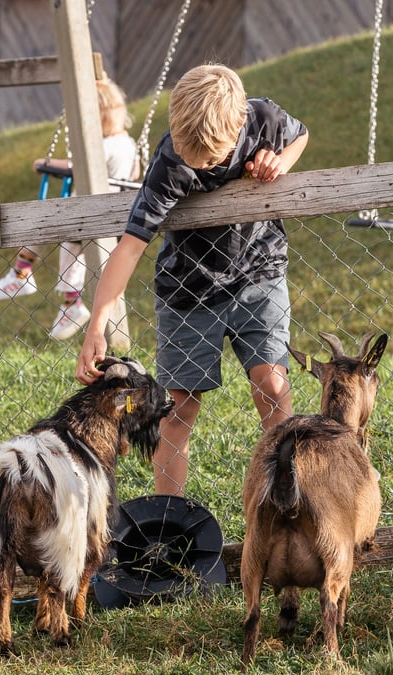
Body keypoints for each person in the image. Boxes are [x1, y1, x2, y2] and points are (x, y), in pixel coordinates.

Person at [74, 63, 309, 497]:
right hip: (189, 292)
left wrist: (280, 160)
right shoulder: (170, 164)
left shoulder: (263, 119)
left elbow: (300, 135)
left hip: (260, 274)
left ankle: (284, 503)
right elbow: (129, 248)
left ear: (240, 124)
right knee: (177, 409)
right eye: (190, 157)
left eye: (211, 159)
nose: (197, 165)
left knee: (273, 389)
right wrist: (97, 324)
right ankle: (170, 519)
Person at [0, 75, 141, 341]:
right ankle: (69, 303)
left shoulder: (100, 147)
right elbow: (136, 172)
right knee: (71, 250)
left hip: (88, 212)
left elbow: (75, 167)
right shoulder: (127, 143)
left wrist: (43, 163)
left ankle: (23, 273)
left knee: (43, 221)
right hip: (111, 215)